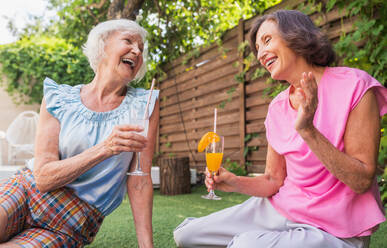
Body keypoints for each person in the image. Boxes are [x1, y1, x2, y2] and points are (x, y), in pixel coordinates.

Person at [174, 9, 386, 248]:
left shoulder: (355, 86)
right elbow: (273, 179)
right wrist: (234, 181)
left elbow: (361, 180)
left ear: (296, 35)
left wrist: (308, 130)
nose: (261, 54)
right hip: (279, 210)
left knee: (246, 245)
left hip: (334, 228)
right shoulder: (276, 107)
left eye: (267, 40)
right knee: (187, 235)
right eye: (257, 48)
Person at [0, 19, 159, 248]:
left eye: (141, 49)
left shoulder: (145, 106)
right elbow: (43, 178)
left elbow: (139, 180)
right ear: (103, 46)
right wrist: (105, 148)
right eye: (128, 41)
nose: (137, 50)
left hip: (73, 219)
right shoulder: (58, 98)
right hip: (27, 190)